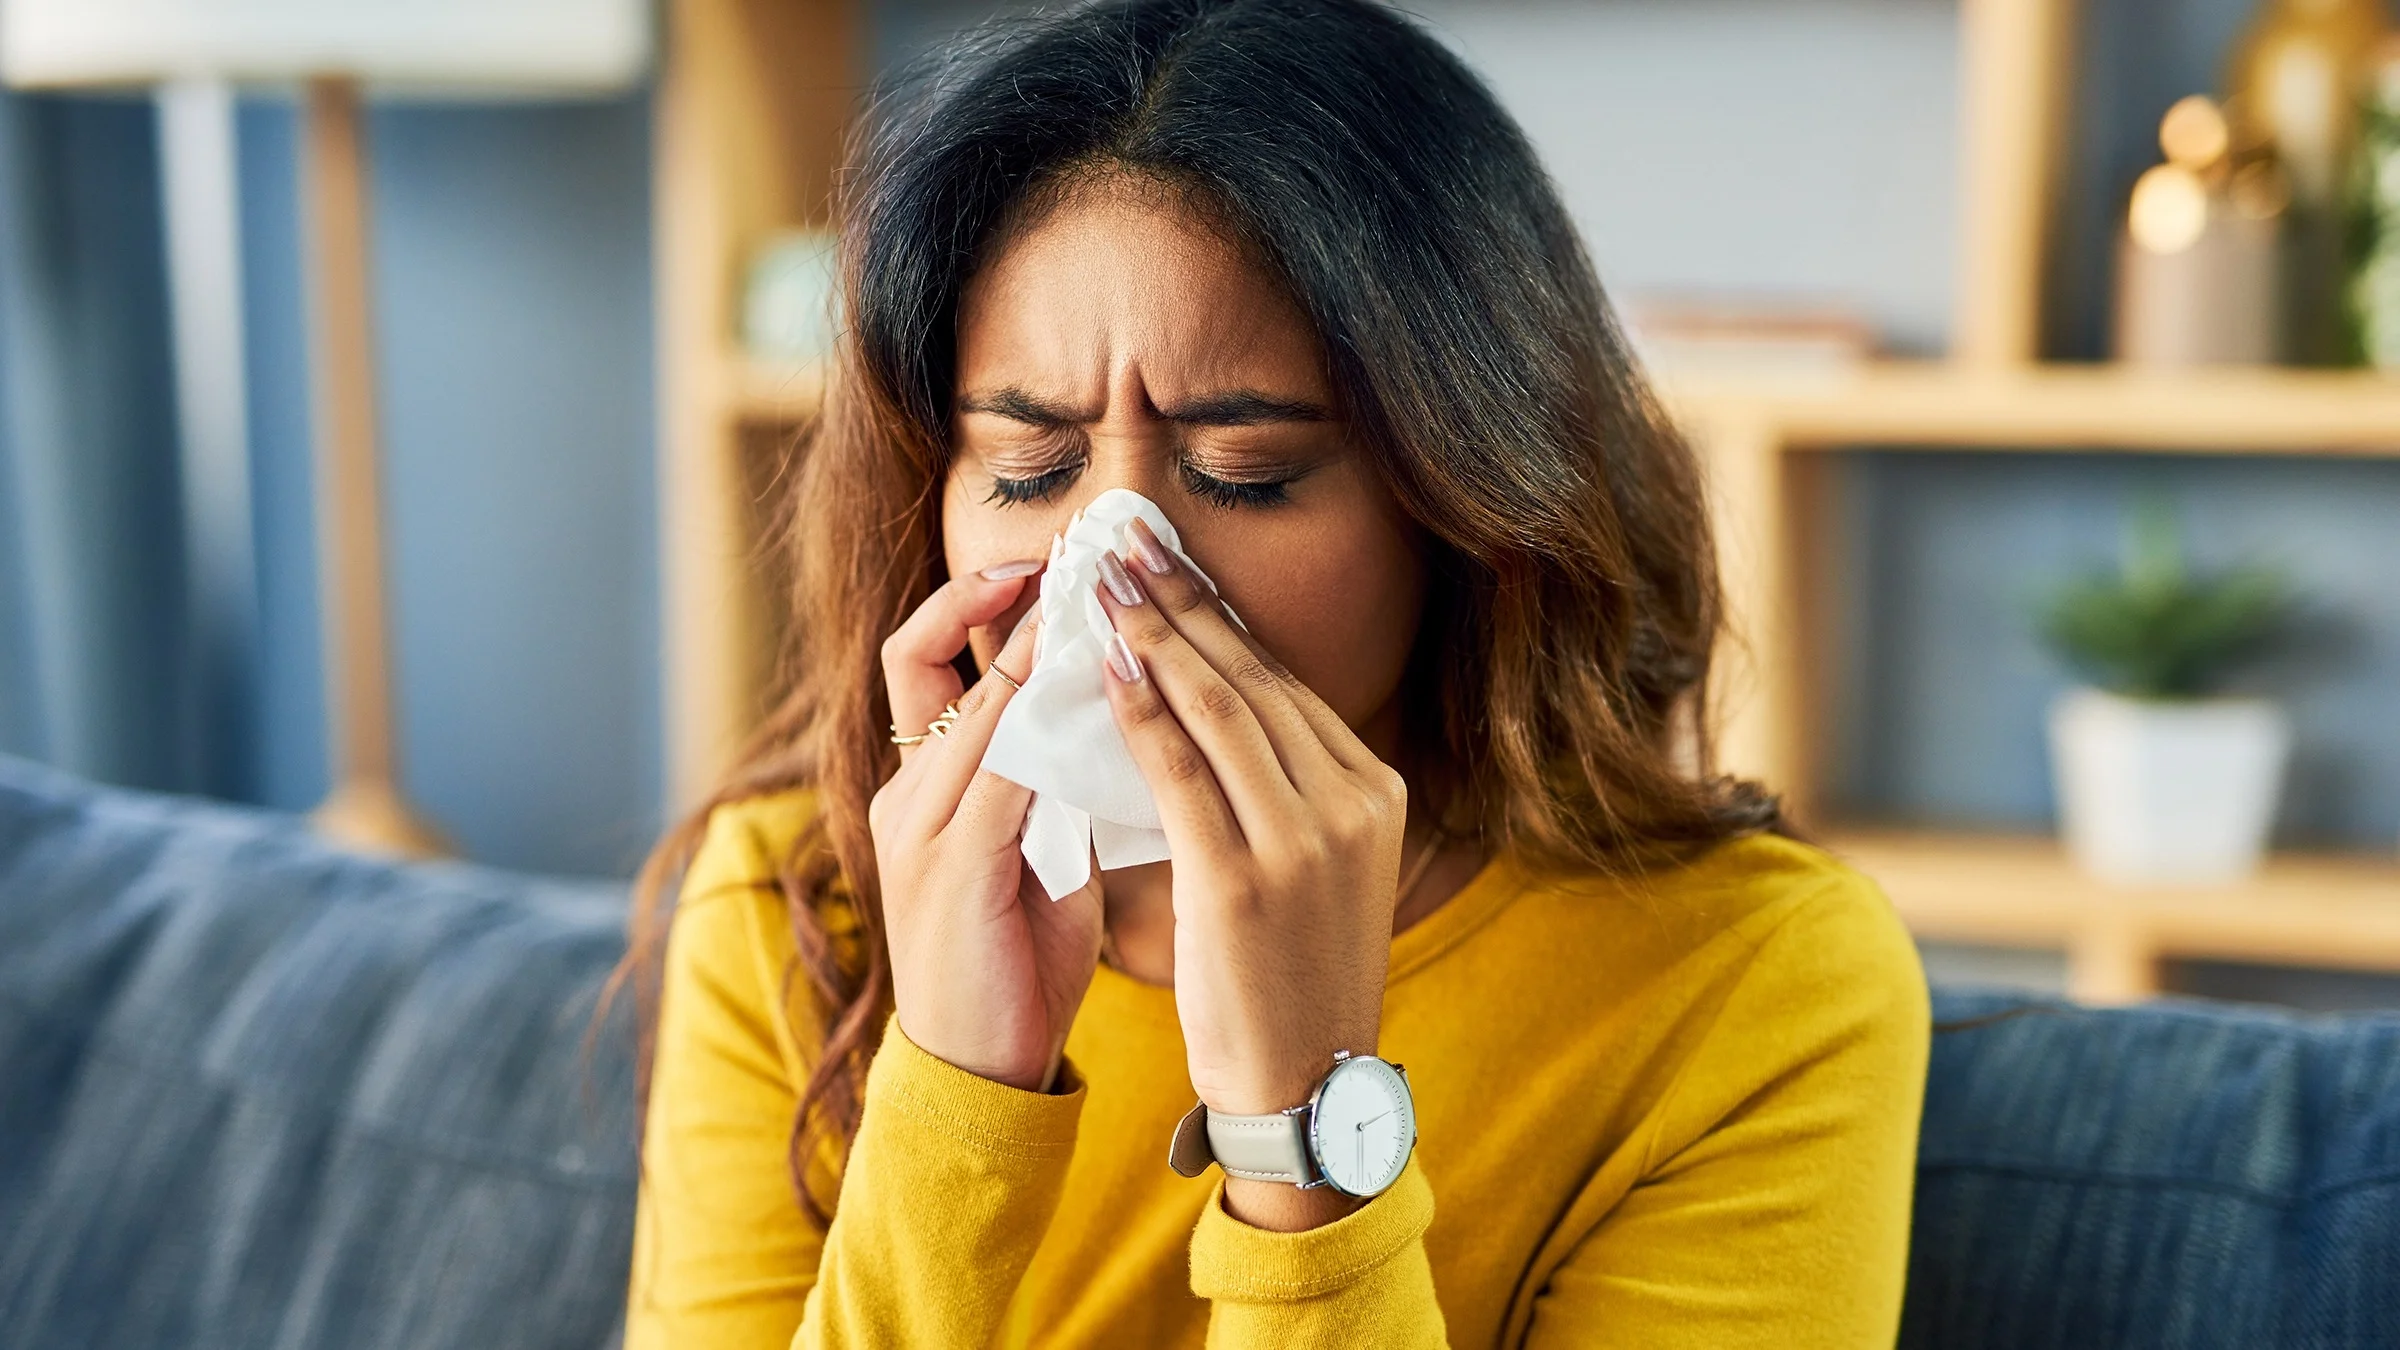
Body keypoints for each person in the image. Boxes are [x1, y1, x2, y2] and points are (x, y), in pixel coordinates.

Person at [622, 0, 1929, 1344]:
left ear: (1460, 499)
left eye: (1245, 470)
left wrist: (1307, 1115)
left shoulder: (1756, 977)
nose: (1116, 564)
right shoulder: (795, 906)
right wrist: (956, 1082)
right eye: (1029, 467)